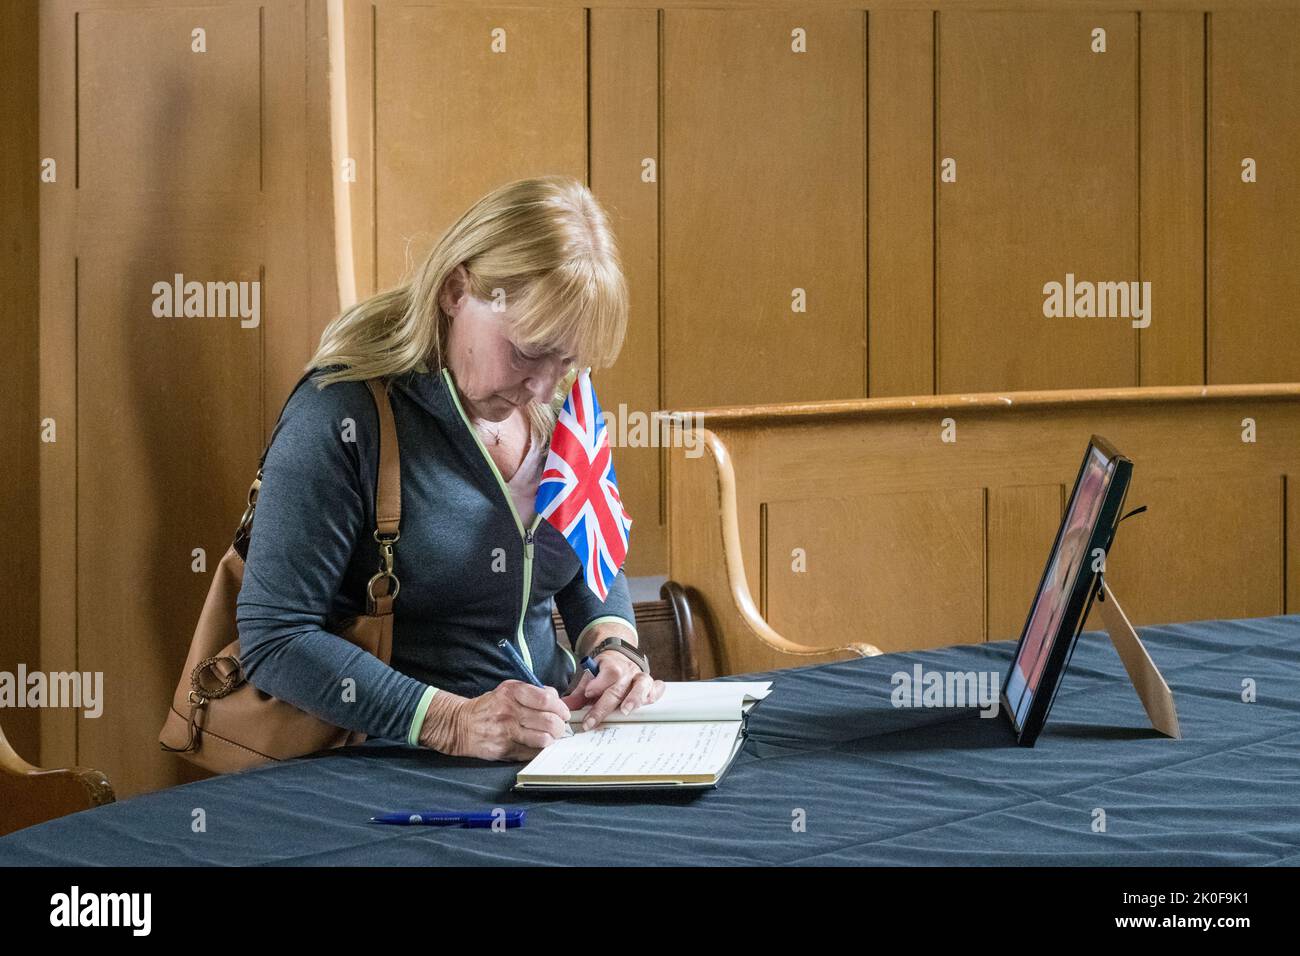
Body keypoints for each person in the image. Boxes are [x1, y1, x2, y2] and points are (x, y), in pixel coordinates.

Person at [235, 175, 665, 762]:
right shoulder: (341, 413)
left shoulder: (560, 400)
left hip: (550, 751)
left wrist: (613, 644)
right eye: (528, 351)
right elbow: (276, 639)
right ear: (456, 290)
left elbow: (592, 545)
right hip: (384, 762)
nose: (541, 388)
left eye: (568, 361)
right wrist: (453, 722)